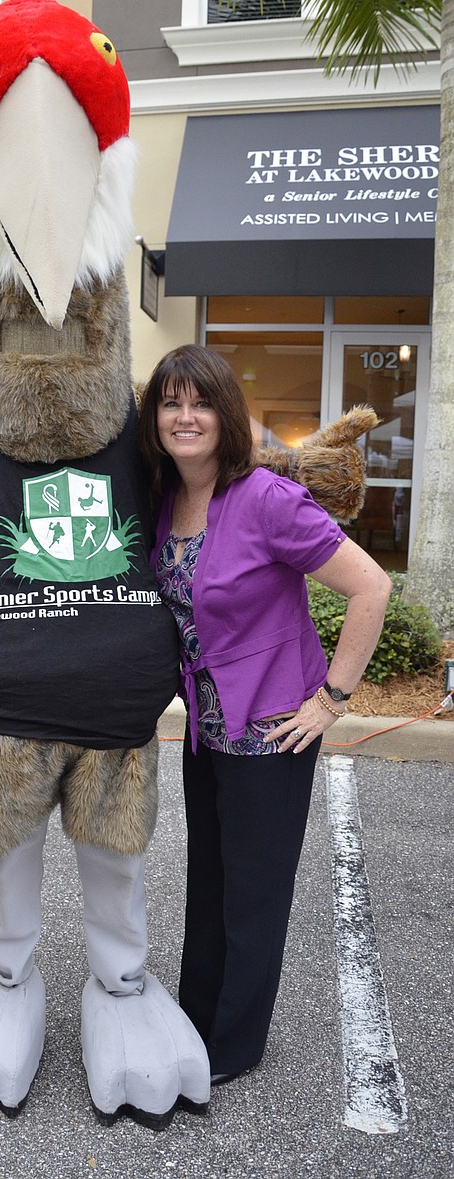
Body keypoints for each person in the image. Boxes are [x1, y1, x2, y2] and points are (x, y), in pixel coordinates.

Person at [137, 345, 391, 1086]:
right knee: (208, 884)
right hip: (206, 730)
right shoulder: (166, 499)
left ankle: (233, 1046)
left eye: (201, 401)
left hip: (273, 733)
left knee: (253, 894)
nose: (186, 417)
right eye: (171, 403)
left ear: (227, 414)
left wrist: (331, 700)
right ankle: (194, 1021)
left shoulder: (268, 499)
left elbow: (370, 587)